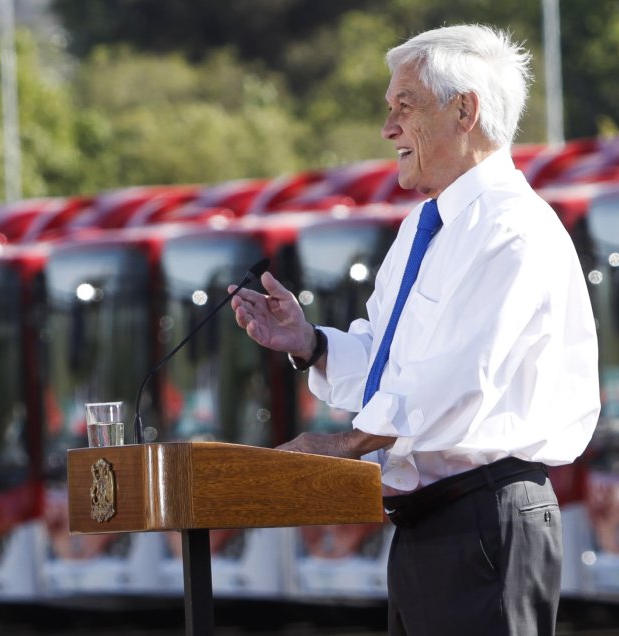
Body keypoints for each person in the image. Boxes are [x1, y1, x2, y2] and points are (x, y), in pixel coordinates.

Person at [230, 24, 599, 636]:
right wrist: (311, 343)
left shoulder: (512, 227)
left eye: (406, 107)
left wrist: (347, 447)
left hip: (487, 520)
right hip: (428, 525)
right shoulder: (423, 228)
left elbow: (460, 382)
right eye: (389, 110)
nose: (388, 129)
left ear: (466, 110)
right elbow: (389, 363)